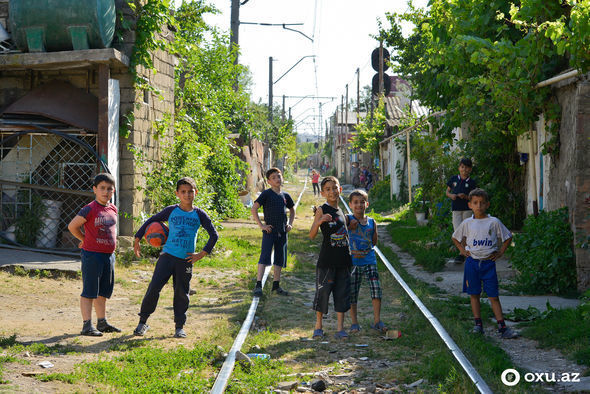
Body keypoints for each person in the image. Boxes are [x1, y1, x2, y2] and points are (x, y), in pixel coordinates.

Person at [132, 177, 218, 338]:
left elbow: (214, 235)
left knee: (181, 293)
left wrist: (201, 254)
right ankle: (142, 323)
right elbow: (152, 220)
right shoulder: (171, 210)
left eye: (190, 191)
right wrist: (137, 238)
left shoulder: (199, 214)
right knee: (154, 289)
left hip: (185, 260)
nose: (187, 195)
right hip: (167, 257)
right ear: (177, 193)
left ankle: (179, 327)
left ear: (195, 193)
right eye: (183, 192)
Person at [451, 188, 518, 339]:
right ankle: (478, 325)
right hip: (472, 263)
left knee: (493, 296)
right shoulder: (467, 223)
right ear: (470, 205)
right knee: (474, 294)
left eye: (482, 203)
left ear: (487, 204)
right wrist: (462, 250)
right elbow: (455, 237)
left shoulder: (493, 222)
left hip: (488, 264)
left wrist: (501, 252)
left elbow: (507, 237)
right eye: (475, 203)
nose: (479, 206)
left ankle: (502, 327)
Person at [68, 173, 120, 336]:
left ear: (113, 191)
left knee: (103, 291)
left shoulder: (113, 209)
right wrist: (84, 239)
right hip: (92, 255)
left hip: (108, 256)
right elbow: (72, 226)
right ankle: (86, 325)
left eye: (109, 189)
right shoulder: (89, 209)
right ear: (95, 190)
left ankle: (102, 322)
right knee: (89, 290)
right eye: (102, 188)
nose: (106, 192)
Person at [309, 176, 352, 340]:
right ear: (323, 193)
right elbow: (312, 235)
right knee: (323, 294)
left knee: (342, 294)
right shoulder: (321, 209)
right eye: (328, 189)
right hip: (327, 262)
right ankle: (318, 326)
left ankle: (340, 328)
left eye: (335, 188)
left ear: (340, 189)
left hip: (343, 261)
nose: (332, 191)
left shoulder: (341, 211)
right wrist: (319, 220)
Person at [346, 189, 387, 333]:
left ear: (367, 204)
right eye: (356, 203)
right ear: (350, 205)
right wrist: (349, 227)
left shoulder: (371, 222)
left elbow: (374, 241)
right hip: (353, 263)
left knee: (376, 289)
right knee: (353, 292)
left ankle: (377, 320)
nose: (359, 205)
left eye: (362, 202)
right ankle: (354, 322)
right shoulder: (347, 219)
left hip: (370, 260)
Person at [251, 167, 295, 297]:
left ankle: (276, 285)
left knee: (279, 259)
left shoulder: (285, 195)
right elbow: (254, 209)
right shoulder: (266, 194)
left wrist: (290, 224)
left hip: (282, 231)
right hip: (269, 232)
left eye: (279, 176)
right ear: (269, 181)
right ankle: (258, 285)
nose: (277, 179)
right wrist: (262, 226)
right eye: (274, 178)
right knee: (264, 257)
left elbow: (292, 210)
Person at [446, 158, 477, 263]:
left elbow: (474, 198)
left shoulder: (472, 182)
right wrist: (452, 196)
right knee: (457, 231)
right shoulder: (454, 179)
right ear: (459, 168)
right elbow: (447, 192)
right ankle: (463, 251)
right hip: (456, 209)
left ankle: (462, 254)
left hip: (467, 209)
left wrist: (466, 196)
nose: (464, 169)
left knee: (466, 231)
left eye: (467, 167)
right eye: (462, 167)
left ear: (470, 169)